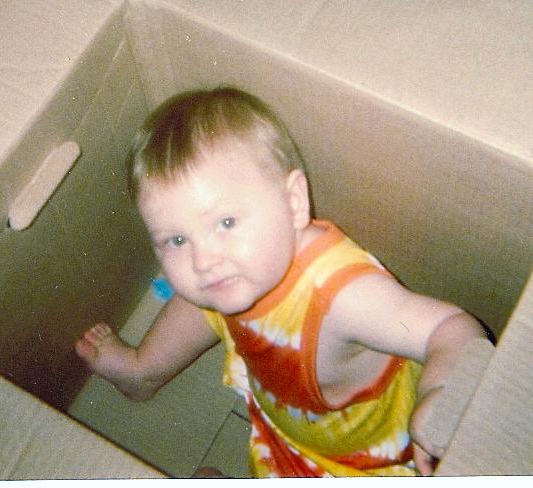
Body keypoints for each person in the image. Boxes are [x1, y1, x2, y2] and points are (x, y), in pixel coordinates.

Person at [75, 86, 486, 477]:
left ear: (293, 203)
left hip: (353, 461)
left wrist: (443, 391)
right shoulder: (237, 266)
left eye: (226, 222)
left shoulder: (340, 295)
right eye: (176, 239)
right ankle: (144, 370)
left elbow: (451, 327)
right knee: (204, 296)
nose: (203, 258)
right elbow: (207, 285)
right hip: (285, 416)